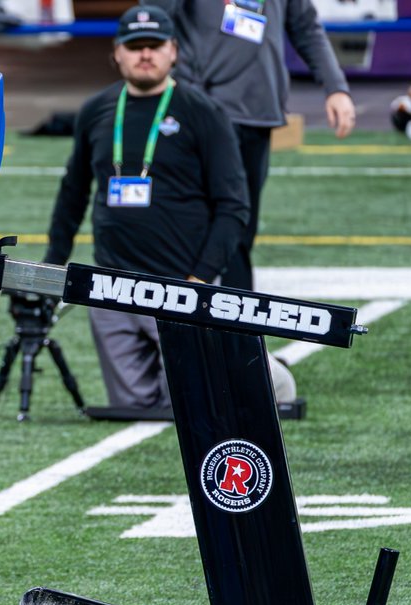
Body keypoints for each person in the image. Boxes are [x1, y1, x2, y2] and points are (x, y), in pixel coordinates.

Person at [45, 5, 250, 410]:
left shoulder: (203, 112)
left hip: (182, 287)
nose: (145, 54)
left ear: (173, 50)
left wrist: (201, 279)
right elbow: (72, 194)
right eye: (134, 46)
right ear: (116, 52)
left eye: (154, 45)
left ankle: (268, 374)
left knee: (190, 409)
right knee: (132, 412)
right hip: (112, 290)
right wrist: (53, 266)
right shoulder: (96, 110)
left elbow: (234, 206)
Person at [157, 0, 354, 290]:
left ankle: (237, 325)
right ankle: (179, 319)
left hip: (254, 113)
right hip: (197, 112)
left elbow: (306, 27)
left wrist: (336, 87)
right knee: (189, 224)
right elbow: (156, 13)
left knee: (239, 227)